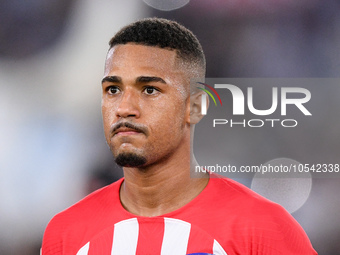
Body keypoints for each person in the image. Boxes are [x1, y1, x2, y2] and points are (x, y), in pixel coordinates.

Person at [41, 18, 317, 255]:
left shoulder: (261, 228)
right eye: (113, 89)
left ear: (195, 107)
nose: (124, 108)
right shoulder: (66, 233)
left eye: (149, 90)